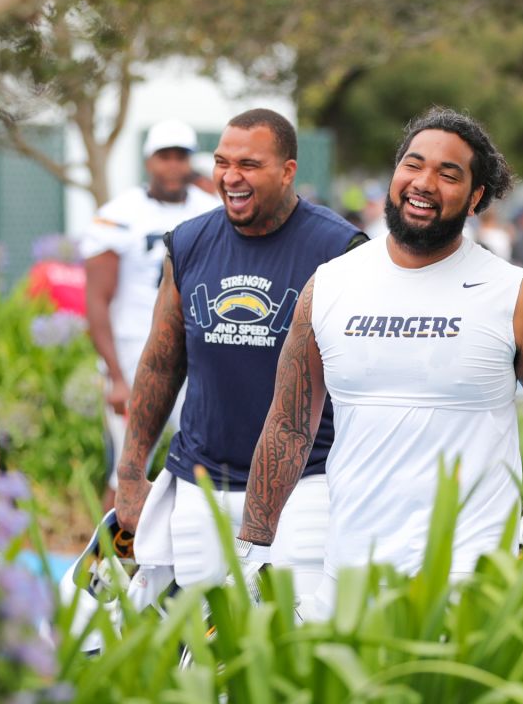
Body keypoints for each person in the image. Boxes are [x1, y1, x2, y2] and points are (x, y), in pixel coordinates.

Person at [236, 107, 523, 620]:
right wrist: (251, 545)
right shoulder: (329, 286)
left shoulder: (517, 298)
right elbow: (289, 426)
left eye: (449, 174)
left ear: (475, 199)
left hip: (470, 581)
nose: (424, 182)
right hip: (351, 573)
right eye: (413, 164)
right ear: (394, 174)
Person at [110, 108, 366, 612]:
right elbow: (162, 364)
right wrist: (130, 473)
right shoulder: (188, 243)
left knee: (287, 635)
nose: (230, 176)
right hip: (201, 481)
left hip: (305, 487)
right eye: (223, 162)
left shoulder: (339, 249)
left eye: (249, 164)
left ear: (288, 171)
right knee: (197, 637)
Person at [83, 120, 220, 511]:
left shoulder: (211, 211)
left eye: (181, 157)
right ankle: (105, 564)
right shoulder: (119, 214)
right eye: (165, 157)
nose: (173, 166)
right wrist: (115, 374)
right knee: (127, 467)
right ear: (149, 162)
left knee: (204, 462)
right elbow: (97, 300)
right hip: (134, 350)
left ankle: (198, 556)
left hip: (193, 349)